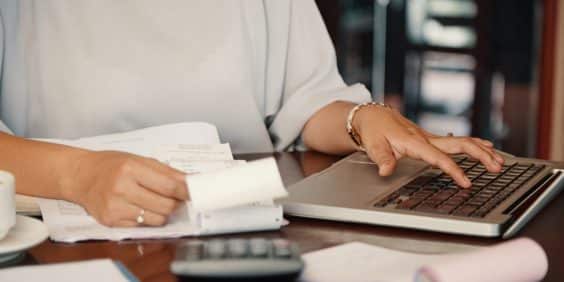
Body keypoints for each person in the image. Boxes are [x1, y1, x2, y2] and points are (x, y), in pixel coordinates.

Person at [0, 1, 503, 227]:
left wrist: (364, 119)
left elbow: (305, 98)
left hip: (244, 228)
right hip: (66, 241)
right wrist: (78, 174)